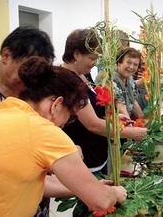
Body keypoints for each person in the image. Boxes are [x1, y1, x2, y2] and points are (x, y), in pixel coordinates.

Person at [0, 57, 127, 216]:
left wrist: (88, 186)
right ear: (57, 104)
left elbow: (35, 182)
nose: (65, 124)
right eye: (71, 116)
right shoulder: (44, 131)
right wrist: (114, 194)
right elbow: (100, 200)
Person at [0, 25, 75, 216]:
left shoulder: (28, 89)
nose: (31, 77)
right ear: (6, 55)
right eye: (27, 68)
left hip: (37, 196)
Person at [61, 28, 147, 175]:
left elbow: (94, 110)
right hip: (84, 160)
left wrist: (113, 118)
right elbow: (92, 124)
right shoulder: (68, 82)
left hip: (97, 155)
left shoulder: (83, 75)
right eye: (91, 58)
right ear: (76, 54)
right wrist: (131, 133)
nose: (95, 63)